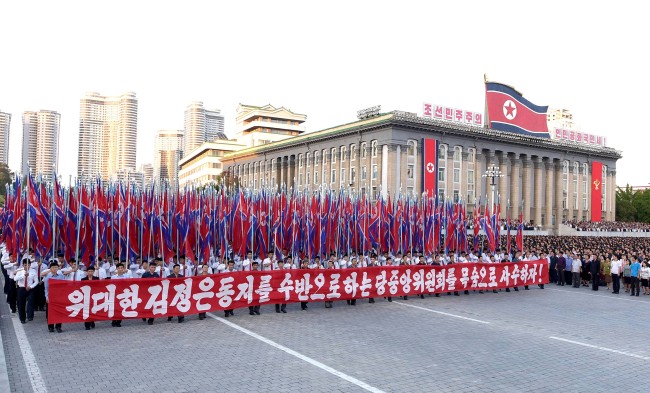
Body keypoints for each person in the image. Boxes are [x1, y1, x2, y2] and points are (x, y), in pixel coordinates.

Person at [43, 261, 65, 333]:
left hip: (59, 296)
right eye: (53, 267)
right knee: (50, 312)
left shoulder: (61, 276)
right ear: (50, 268)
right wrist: (47, 297)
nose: (55, 269)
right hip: (51, 296)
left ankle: (58, 326)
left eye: (56, 267)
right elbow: (46, 288)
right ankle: (51, 327)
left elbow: (63, 286)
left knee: (59, 312)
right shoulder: (47, 278)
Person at [15, 259, 37, 324]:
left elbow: (36, 281)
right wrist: (23, 275)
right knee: (21, 304)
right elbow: (15, 278)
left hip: (30, 288)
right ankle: (22, 318)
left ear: (30, 265)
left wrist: (31, 287)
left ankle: (30, 316)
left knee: (31, 301)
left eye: (28, 265)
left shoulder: (33, 271)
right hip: (21, 288)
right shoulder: (20, 271)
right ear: (23, 265)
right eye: (25, 265)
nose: (26, 266)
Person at [110, 262, 131, 327]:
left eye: (122, 268)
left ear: (123, 269)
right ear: (117, 269)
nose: (120, 269)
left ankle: (119, 321)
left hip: (123, 293)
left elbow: (128, 284)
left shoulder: (126, 276)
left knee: (121, 307)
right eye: (119, 268)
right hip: (115, 293)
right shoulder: (113, 277)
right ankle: (113, 320)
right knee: (115, 307)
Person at [80, 265, 100, 330]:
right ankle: (87, 324)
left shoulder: (96, 279)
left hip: (94, 297)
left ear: (93, 272)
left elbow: (99, 287)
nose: (90, 272)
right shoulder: (83, 279)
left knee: (92, 310)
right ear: (87, 272)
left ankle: (92, 321)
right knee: (86, 310)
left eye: (91, 271)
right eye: (89, 271)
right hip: (86, 297)